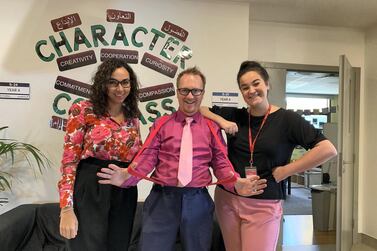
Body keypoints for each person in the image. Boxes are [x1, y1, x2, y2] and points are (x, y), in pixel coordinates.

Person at [97, 66, 267, 251]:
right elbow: (147, 157)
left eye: (196, 91)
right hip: (161, 201)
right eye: (184, 90)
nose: (190, 96)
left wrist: (235, 182)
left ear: (203, 93)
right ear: (177, 92)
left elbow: (221, 163)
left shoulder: (212, 127)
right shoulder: (162, 124)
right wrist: (128, 176)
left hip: (198, 201)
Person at [200, 61, 338, 251]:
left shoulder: (287, 120)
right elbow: (201, 109)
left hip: (263, 204)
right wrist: (221, 121)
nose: (251, 90)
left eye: (256, 83)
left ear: (267, 84)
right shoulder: (236, 115)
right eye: (245, 87)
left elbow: (327, 149)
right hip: (228, 199)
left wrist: (286, 171)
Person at [58, 58, 142, 251]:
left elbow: (139, 154)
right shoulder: (83, 109)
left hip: (124, 192)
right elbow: (69, 161)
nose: (120, 88)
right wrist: (67, 208)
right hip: (91, 188)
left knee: (118, 246)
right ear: (103, 83)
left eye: (125, 82)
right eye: (113, 82)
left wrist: (132, 175)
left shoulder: (132, 116)